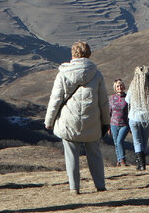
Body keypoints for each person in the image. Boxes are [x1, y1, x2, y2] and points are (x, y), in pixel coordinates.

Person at [45, 41, 111, 192]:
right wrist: (106, 122)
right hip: (92, 120)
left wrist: (49, 121)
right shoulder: (97, 74)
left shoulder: (63, 74)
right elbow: (103, 102)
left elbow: (55, 99)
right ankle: (100, 186)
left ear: (73, 54)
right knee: (95, 154)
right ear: (89, 54)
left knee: (71, 156)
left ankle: (74, 188)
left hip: (69, 121)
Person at [127, 66, 149, 170]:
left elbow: (127, 100)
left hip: (134, 117)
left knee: (137, 141)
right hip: (147, 118)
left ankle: (140, 164)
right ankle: (142, 164)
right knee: (144, 141)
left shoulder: (133, 87)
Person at [108, 79, 130, 166]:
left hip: (124, 124)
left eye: (121, 85)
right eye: (117, 86)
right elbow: (109, 112)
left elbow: (130, 111)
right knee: (116, 142)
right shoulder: (112, 98)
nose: (119, 87)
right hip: (113, 124)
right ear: (115, 88)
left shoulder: (128, 98)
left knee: (119, 141)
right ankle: (119, 160)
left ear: (123, 86)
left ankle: (122, 160)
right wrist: (108, 126)